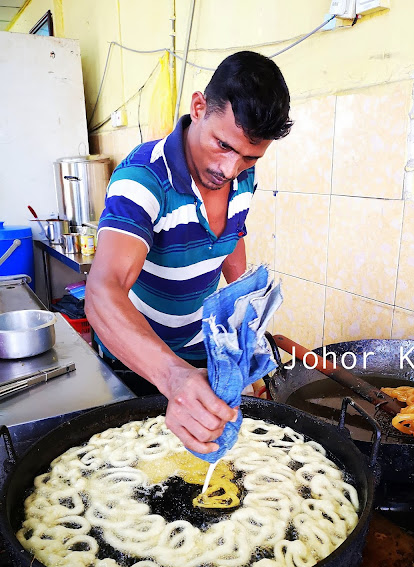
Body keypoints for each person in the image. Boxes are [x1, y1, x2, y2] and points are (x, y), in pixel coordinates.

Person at [85, 50, 292, 455]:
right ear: (198, 107)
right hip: (139, 362)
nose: (231, 169)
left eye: (249, 156)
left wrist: (243, 333)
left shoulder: (243, 174)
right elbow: (102, 291)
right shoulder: (143, 180)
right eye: (223, 146)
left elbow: (232, 237)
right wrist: (174, 378)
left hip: (202, 353)